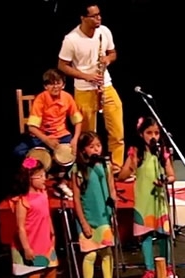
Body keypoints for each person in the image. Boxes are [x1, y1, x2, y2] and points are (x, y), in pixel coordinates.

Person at [58, 2, 124, 167]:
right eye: (94, 16)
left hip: (105, 85)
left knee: (117, 130)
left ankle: (116, 166)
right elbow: (62, 65)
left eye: (99, 14)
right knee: (88, 135)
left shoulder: (104, 31)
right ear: (83, 18)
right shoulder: (71, 39)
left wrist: (107, 60)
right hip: (84, 89)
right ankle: (88, 167)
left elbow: (113, 53)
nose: (98, 18)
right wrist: (86, 76)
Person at [116, 117, 178, 278]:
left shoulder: (162, 152)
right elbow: (123, 175)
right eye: (149, 133)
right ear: (141, 134)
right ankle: (149, 269)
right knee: (145, 235)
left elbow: (172, 175)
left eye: (156, 133)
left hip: (159, 200)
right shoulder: (136, 151)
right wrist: (126, 168)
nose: (153, 136)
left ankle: (167, 267)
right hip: (144, 200)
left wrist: (165, 180)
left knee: (164, 234)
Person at [70, 131, 118, 278]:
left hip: (104, 216)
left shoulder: (105, 166)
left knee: (106, 252)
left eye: (98, 145)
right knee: (90, 254)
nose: (96, 149)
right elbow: (76, 198)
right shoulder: (78, 170)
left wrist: (113, 203)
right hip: (89, 219)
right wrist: (83, 222)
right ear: (83, 150)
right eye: (92, 146)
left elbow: (111, 188)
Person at [10, 158, 64, 278]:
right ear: (29, 178)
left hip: (45, 238)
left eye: (44, 175)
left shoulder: (43, 193)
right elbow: (20, 227)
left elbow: (46, 215)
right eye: (39, 176)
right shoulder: (23, 201)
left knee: (51, 268)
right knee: (35, 272)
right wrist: (26, 248)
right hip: (32, 240)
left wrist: (52, 232)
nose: (44, 179)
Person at [13, 69, 82, 160]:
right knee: (18, 151)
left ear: (63, 85)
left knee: (75, 153)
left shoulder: (67, 97)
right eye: (51, 84)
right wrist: (46, 140)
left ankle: (60, 171)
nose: (55, 86)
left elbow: (78, 121)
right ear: (45, 86)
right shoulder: (40, 99)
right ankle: (36, 170)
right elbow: (32, 127)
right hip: (41, 137)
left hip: (61, 136)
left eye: (58, 83)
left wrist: (75, 139)